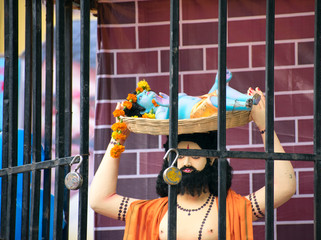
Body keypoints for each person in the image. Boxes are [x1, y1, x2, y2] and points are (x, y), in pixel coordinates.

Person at [89, 88, 296, 240]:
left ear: (212, 158)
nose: (186, 161)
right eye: (178, 156)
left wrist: (265, 127)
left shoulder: (233, 209)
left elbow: (284, 187)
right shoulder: (152, 211)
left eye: (195, 155)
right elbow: (99, 200)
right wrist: (118, 139)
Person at [124, 70, 260, 119]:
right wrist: (169, 105)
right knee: (213, 100)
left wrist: (217, 82)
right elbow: (164, 122)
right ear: (144, 111)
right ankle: (245, 105)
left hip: (202, 101)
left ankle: (249, 98)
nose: (144, 92)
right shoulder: (159, 110)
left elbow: (206, 96)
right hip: (196, 112)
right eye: (141, 97)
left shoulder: (165, 101)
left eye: (143, 91)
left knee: (219, 91)